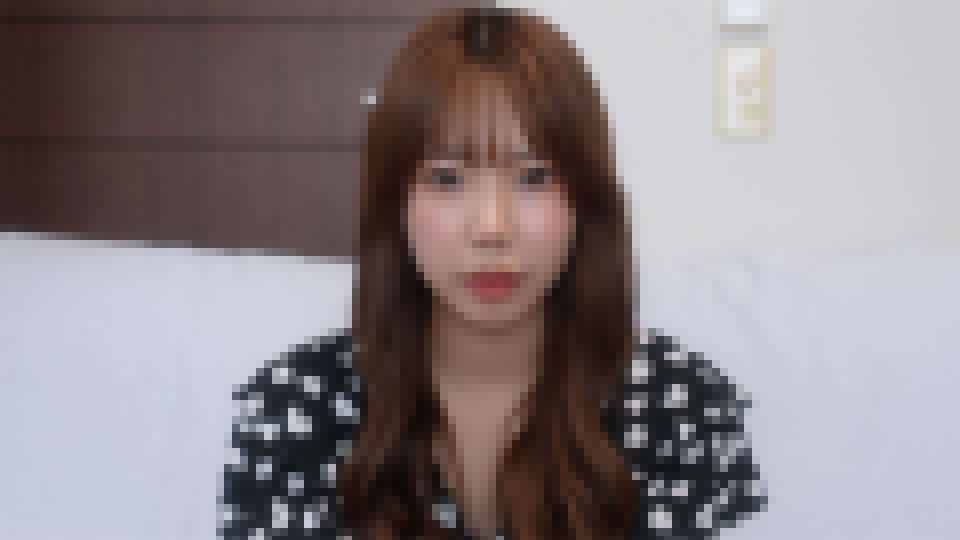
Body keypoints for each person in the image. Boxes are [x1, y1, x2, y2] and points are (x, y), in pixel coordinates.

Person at [219, 7, 768, 540]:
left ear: (586, 201)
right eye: (447, 178)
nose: (492, 228)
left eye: (533, 177)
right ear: (395, 204)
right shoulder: (294, 408)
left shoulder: (685, 407)